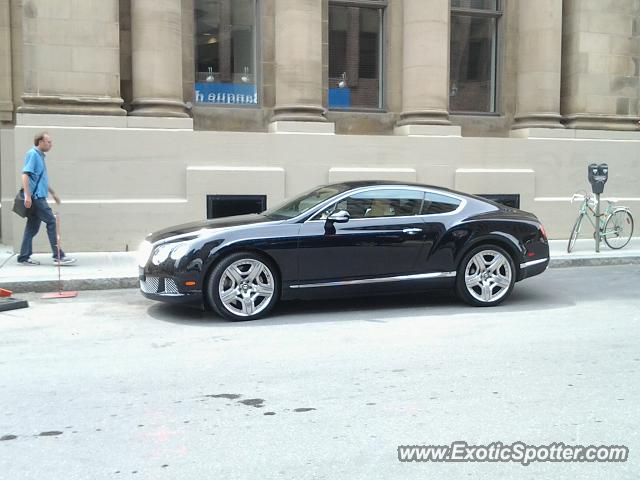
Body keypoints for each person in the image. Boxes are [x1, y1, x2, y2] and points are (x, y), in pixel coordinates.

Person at [17, 132, 76, 266]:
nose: (51, 144)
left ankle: (24, 257)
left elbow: (40, 179)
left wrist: (53, 193)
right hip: (36, 198)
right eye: (48, 141)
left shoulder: (40, 156)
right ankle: (58, 255)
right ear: (40, 141)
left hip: (38, 197)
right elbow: (25, 175)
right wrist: (27, 196)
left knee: (31, 228)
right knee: (52, 221)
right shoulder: (33, 154)